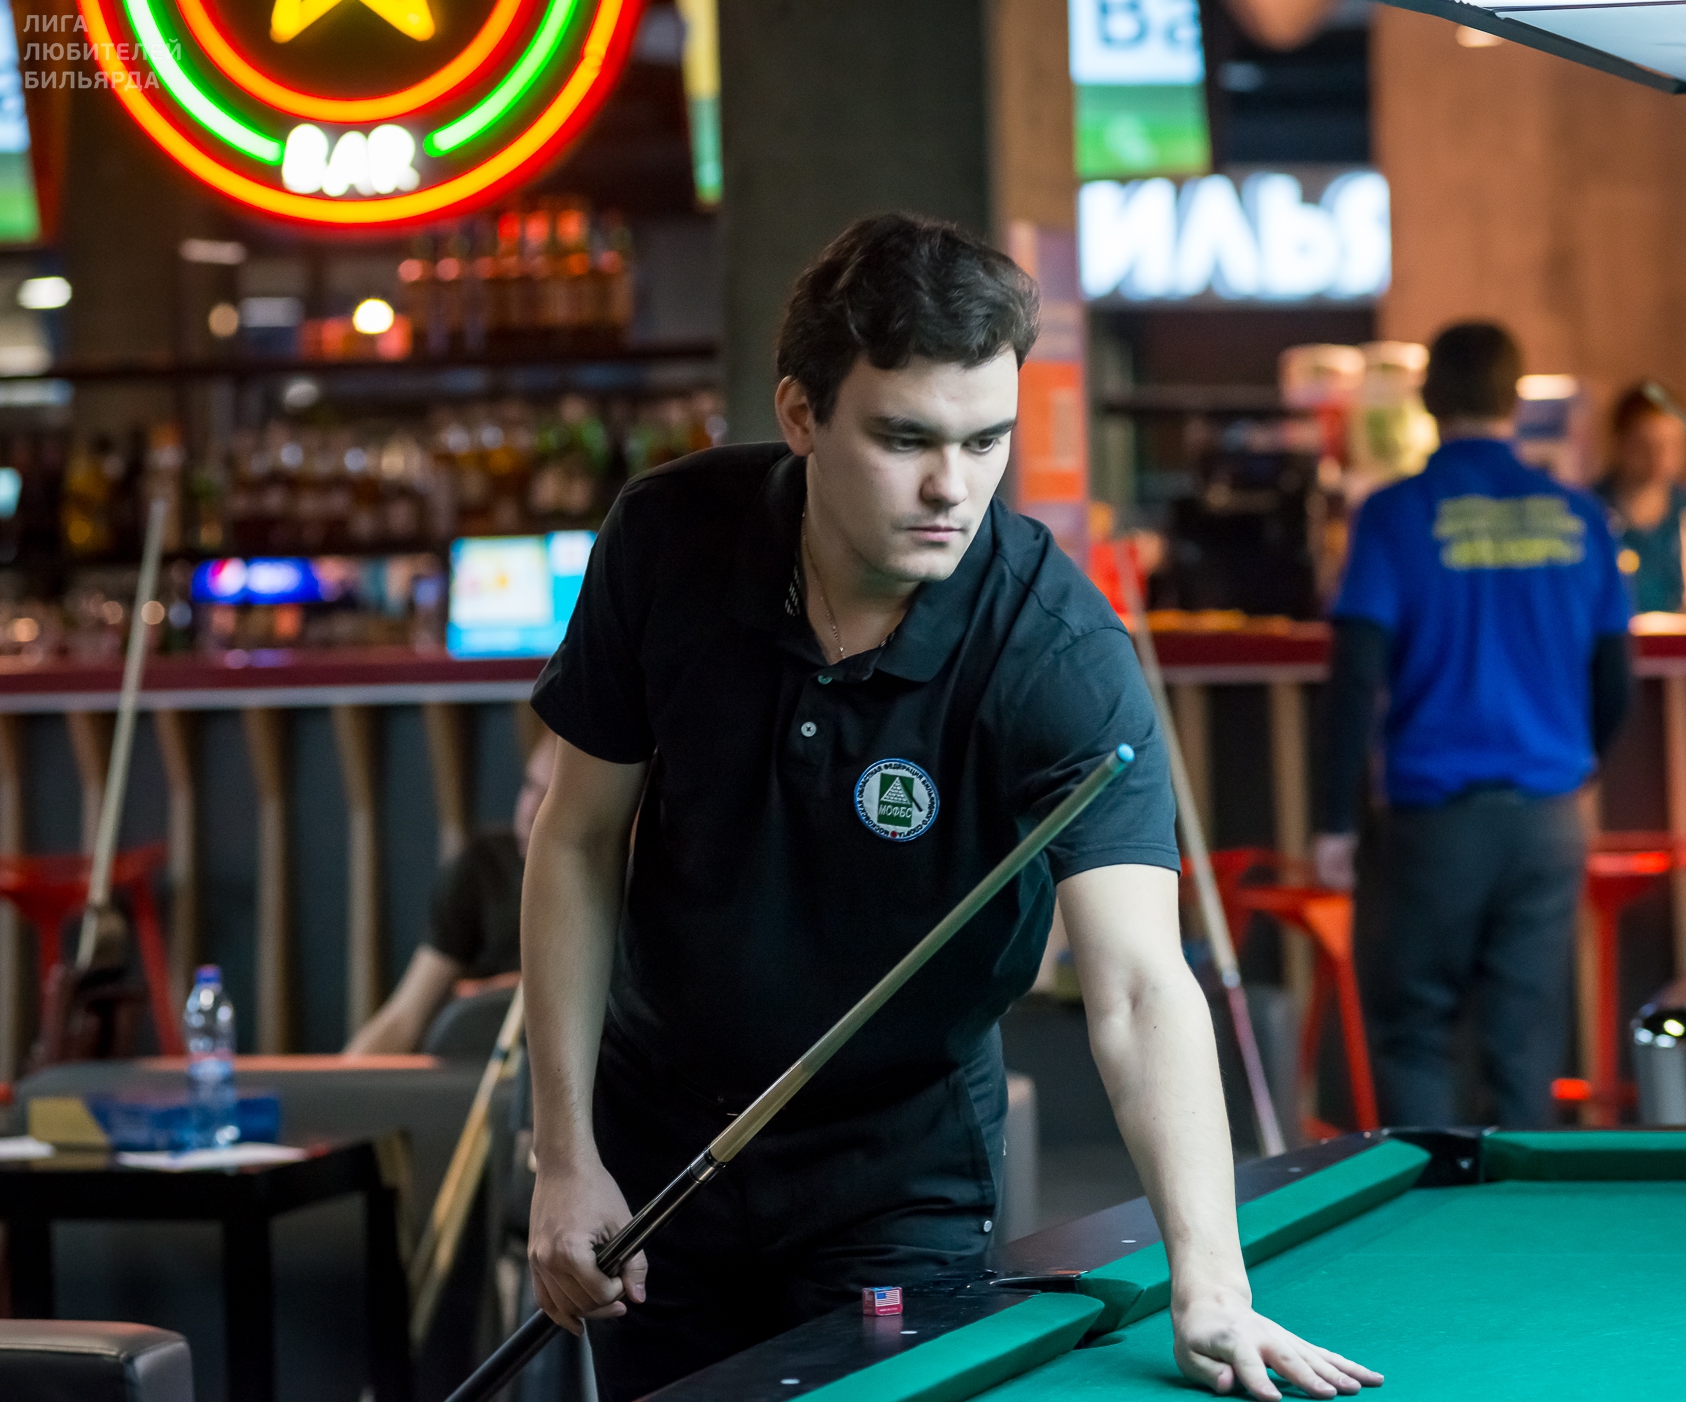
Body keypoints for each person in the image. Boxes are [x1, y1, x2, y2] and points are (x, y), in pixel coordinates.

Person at [520, 214, 1382, 1402]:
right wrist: (563, 1154)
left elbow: (1139, 985)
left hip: (898, 1166)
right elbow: (575, 840)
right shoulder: (669, 537)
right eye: (906, 438)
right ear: (801, 415)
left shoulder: (1055, 649)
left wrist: (1210, 1277)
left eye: (987, 441)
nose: (953, 487)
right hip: (660, 1141)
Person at [1313, 322, 1633, 1130]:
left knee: (1417, 1033)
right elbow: (1616, 680)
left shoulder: (1394, 515)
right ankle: (1521, 1211)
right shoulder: (1579, 515)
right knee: (1523, 1048)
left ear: (1429, 399)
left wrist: (1334, 821)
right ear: (1514, 400)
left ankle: (1430, 1206)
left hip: (1434, 823)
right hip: (1548, 821)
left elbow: (1355, 675)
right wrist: (1576, 768)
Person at [343, 740, 552, 1055]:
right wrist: (339, 1081)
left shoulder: (625, 881)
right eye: (529, 786)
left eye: (551, 797)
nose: (530, 812)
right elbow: (404, 1017)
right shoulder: (483, 866)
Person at [1594, 384, 1686, 614]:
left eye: (1671, 444)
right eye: (1644, 445)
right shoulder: (1590, 514)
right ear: (1619, 442)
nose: (1659, 458)